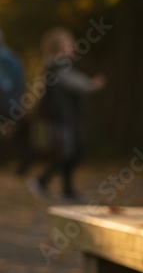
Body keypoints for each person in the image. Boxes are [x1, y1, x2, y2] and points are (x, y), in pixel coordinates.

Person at [27, 27, 105, 201]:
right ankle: (45, 182)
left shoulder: (58, 66)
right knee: (68, 153)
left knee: (71, 153)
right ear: (57, 47)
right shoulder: (58, 67)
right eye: (68, 43)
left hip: (65, 118)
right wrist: (91, 84)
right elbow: (77, 84)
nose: (73, 45)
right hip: (61, 118)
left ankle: (64, 189)